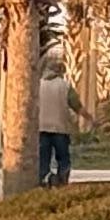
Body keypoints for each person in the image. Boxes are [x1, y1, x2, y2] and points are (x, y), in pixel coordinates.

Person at [36, 43, 76, 188]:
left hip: (41, 128)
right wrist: (88, 118)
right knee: (63, 158)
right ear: (60, 71)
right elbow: (76, 105)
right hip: (60, 129)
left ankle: (44, 182)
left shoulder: (38, 85)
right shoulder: (65, 86)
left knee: (43, 159)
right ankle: (62, 182)